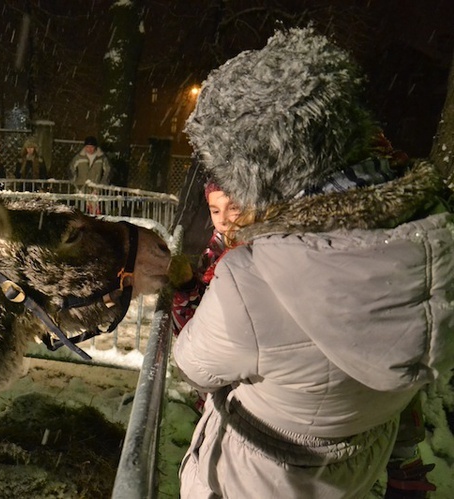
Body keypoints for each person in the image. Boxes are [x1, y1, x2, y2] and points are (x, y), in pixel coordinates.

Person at [174, 27, 452, 498]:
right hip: (354, 471)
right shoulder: (434, 247)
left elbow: (193, 365)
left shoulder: (251, 278)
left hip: (252, 480)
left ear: (260, 171)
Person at [169, 181, 240, 336]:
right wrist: (187, 285)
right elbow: (191, 323)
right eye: (215, 211)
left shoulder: (257, 250)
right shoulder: (213, 250)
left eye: (233, 208)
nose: (223, 219)